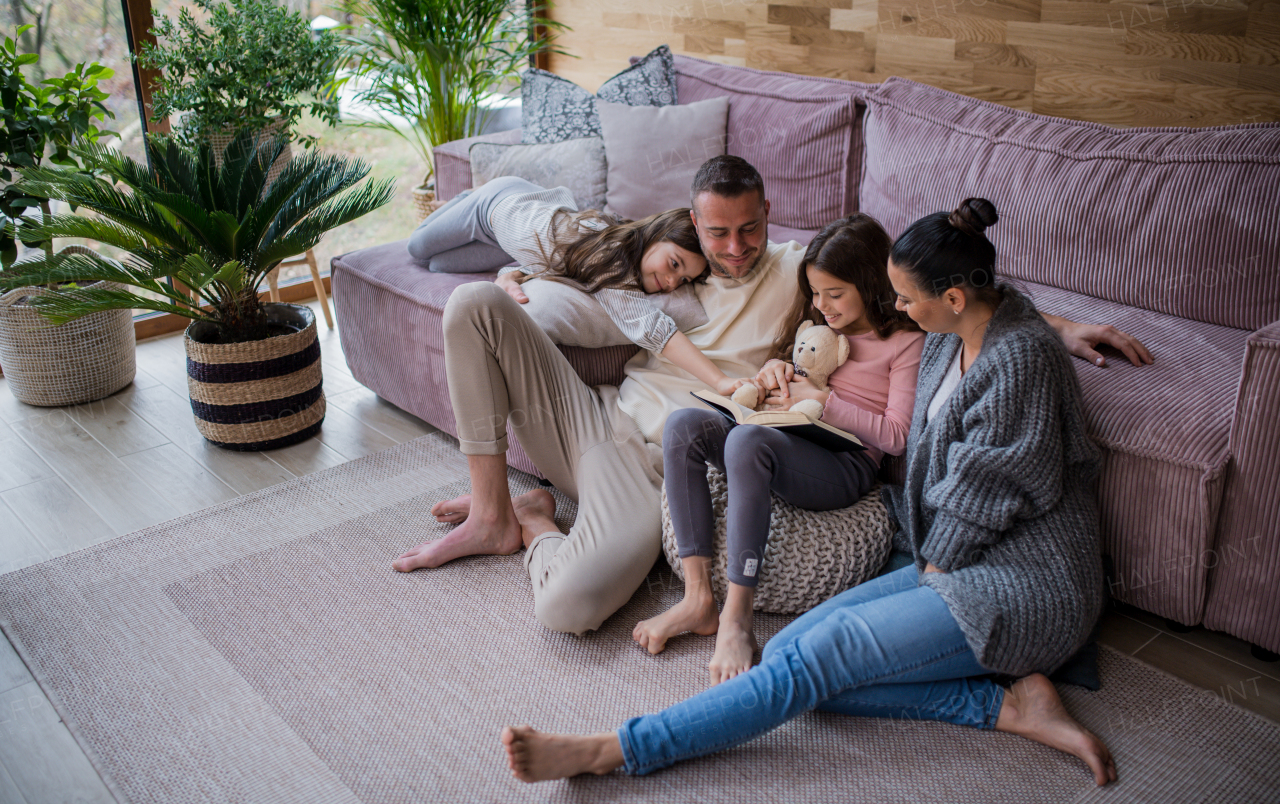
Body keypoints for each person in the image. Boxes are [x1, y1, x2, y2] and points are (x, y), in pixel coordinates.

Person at [393, 155, 1151, 640]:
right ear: (693, 221)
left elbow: (926, 289)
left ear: (768, 215)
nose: (732, 248)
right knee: (471, 307)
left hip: (654, 469)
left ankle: (534, 526)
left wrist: (1057, 322)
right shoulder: (664, 263)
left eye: (748, 229)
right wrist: (514, 280)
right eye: (717, 232)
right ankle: (493, 509)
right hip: (593, 422)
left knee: (569, 610)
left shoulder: (798, 267)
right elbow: (573, 286)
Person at [498, 198, 1118, 788]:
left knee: (813, 663)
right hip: (955, 558)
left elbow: (987, 490)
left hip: (1022, 582)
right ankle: (1009, 704)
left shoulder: (1015, 363)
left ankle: (617, 749)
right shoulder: (961, 327)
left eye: (904, 298)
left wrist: (928, 571)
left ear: (953, 299)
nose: (896, 307)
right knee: (791, 656)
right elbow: (1004, 304)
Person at [633, 214, 925, 685]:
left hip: (845, 463)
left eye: (835, 294)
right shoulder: (819, 329)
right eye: (815, 292)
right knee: (685, 424)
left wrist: (825, 403)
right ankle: (697, 597)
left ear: (870, 282)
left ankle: (737, 617)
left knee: (748, 441)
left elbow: (895, 435)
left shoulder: (904, 342)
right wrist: (776, 373)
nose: (822, 305)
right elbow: (800, 374)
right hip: (788, 437)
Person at [407, 176, 747, 396]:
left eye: (684, 280)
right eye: (674, 264)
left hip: (510, 237)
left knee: (441, 264)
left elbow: (559, 263)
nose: (672, 283)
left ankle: (496, 238)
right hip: (496, 203)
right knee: (419, 250)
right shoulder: (612, 256)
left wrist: (511, 273)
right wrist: (720, 381)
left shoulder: (604, 263)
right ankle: (471, 190)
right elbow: (653, 329)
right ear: (654, 235)